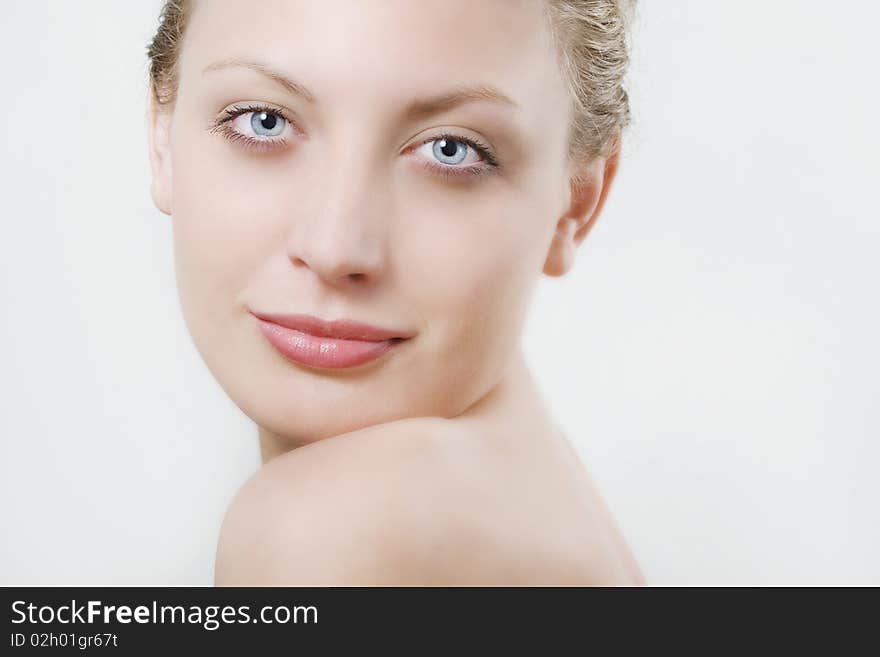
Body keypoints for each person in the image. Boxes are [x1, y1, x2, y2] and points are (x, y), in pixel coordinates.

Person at [146, 0, 645, 585]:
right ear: (162, 136)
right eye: (264, 120)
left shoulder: (334, 533)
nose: (335, 248)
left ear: (576, 203)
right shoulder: (545, 508)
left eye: (450, 150)